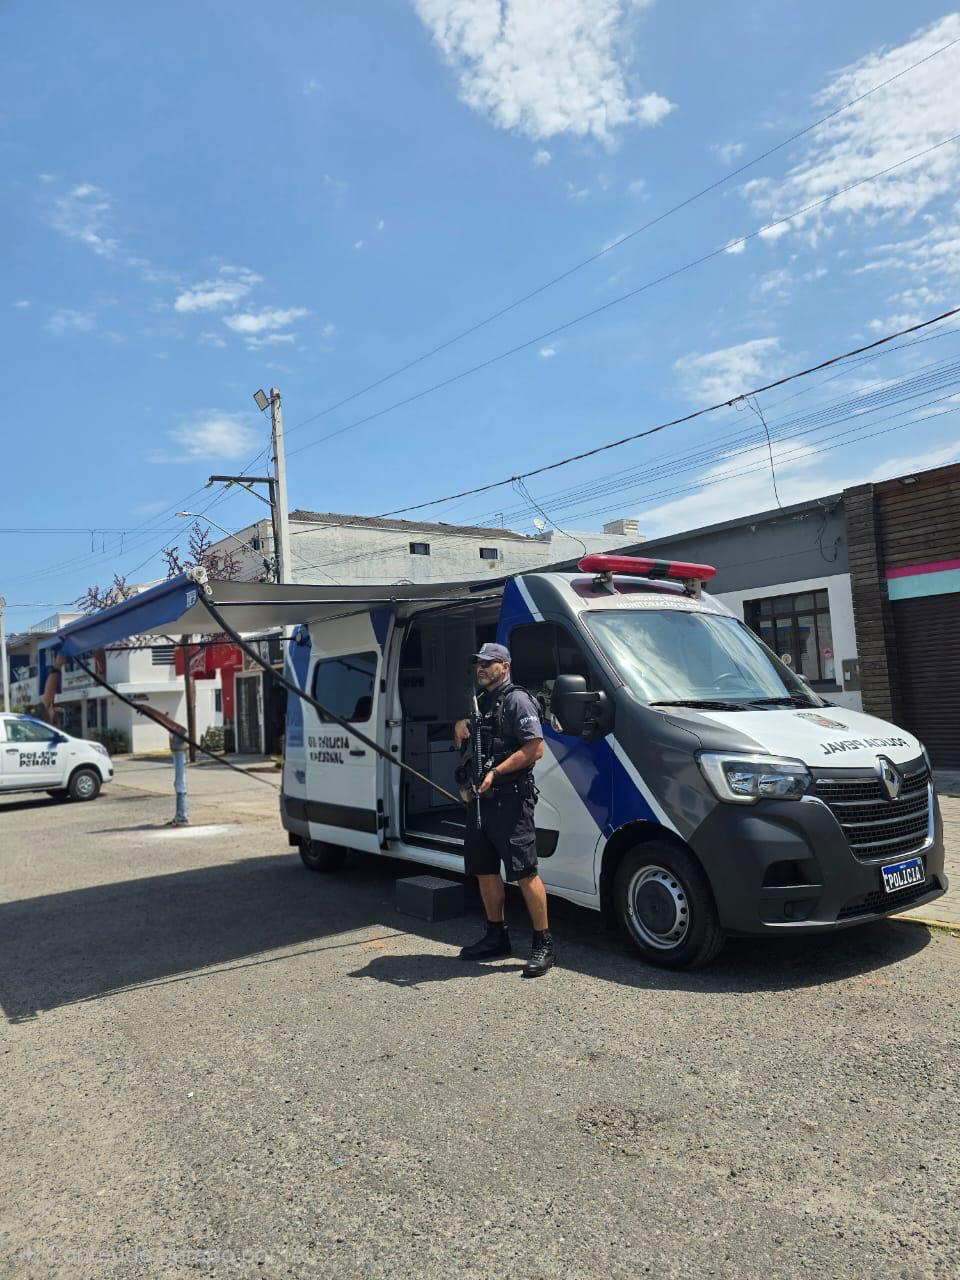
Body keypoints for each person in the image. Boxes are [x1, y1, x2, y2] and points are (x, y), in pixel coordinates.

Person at [453, 642, 555, 978]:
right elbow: (473, 742)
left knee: (525, 873)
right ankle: (496, 936)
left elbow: (535, 748)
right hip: (480, 802)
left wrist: (497, 772)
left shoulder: (517, 700)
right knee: (484, 870)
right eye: (478, 664)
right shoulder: (482, 702)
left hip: (511, 801)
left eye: (488, 663)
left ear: (505, 666)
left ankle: (543, 944)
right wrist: (460, 728)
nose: (480, 668)